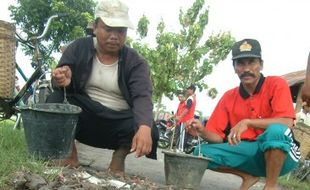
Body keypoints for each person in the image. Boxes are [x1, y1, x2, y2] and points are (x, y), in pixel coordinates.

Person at [48, 0, 157, 174]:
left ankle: (119, 158)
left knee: (148, 125)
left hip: (118, 123)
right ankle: (69, 154)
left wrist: (144, 127)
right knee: (54, 100)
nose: (115, 36)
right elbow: (58, 82)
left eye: (121, 31)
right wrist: (62, 81)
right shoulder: (78, 47)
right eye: (108, 29)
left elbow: (142, 96)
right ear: (95, 26)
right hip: (85, 116)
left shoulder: (135, 62)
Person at [189, 39, 301, 190]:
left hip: (284, 154)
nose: (246, 68)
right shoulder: (229, 96)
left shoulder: (276, 84)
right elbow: (217, 137)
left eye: (252, 62)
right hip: (249, 152)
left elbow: (287, 122)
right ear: (234, 68)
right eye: (240, 63)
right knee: (200, 152)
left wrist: (248, 122)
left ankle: (270, 186)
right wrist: (202, 131)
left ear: (261, 64)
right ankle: (247, 176)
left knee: (276, 131)